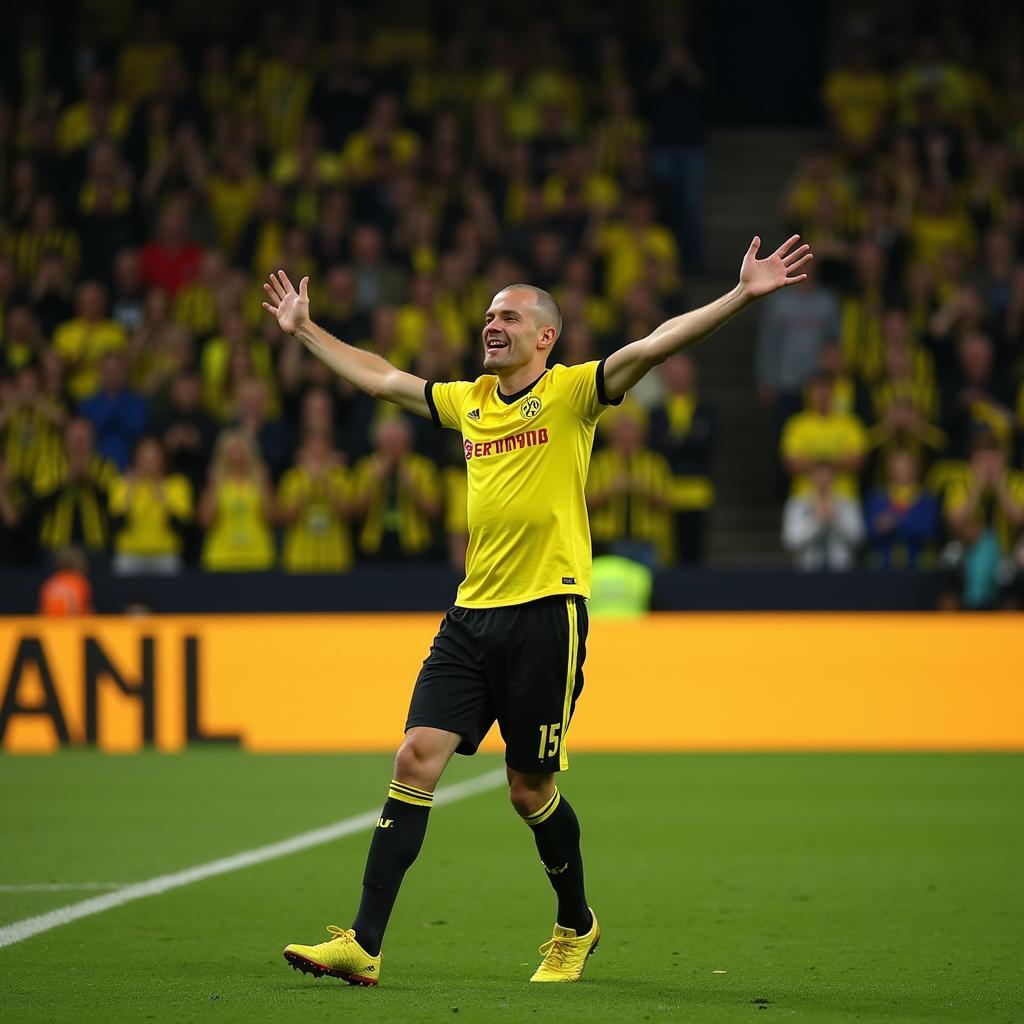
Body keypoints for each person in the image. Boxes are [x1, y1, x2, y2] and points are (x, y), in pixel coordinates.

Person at [261, 231, 811, 984]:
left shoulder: (574, 392)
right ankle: (364, 942)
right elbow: (383, 378)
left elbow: (653, 345)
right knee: (414, 757)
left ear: (546, 337)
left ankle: (575, 924)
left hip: (547, 614)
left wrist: (741, 295)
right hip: (470, 615)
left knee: (530, 790)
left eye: (511, 318)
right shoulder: (469, 403)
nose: (493, 324)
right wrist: (304, 329)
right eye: (489, 315)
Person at [108, 436, 192, 575]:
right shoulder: (122, 484)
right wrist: (129, 493)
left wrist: (163, 497)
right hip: (130, 555)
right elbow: (116, 524)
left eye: (154, 458)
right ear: (136, 459)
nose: (149, 463)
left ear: (163, 460)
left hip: (165, 555)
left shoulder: (177, 485)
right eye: (144, 458)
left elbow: (181, 525)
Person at [198, 429, 276, 572]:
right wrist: (214, 486)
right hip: (221, 557)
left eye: (240, 450)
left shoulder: (259, 479)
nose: (236, 456)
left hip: (257, 557)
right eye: (231, 451)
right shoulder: (215, 480)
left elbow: (272, 518)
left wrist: (263, 485)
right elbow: (205, 521)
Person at [782, 460, 864, 570]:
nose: (823, 480)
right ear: (811, 477)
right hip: (807, 570)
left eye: (827, 476)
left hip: (842, 571)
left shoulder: (848, 504)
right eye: (819, 476)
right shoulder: (796, 504)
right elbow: (791, 542)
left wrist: (835, 519)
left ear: (834, 478)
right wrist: (817, 522)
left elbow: (858, 539)